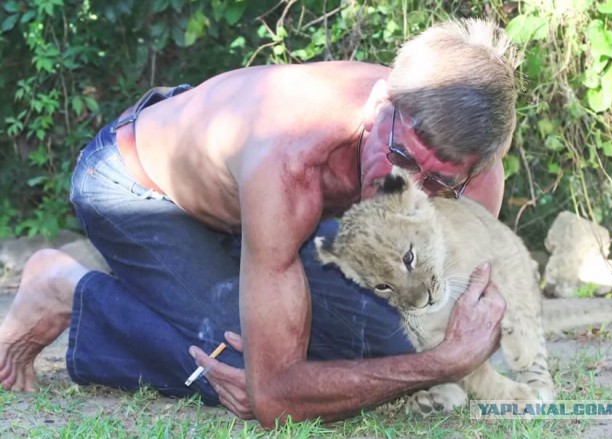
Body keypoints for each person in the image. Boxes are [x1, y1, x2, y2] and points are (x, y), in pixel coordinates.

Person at [0, 18, 519, 427]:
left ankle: (222, 288)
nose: (407, 186)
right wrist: (442, 365)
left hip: (259, 215)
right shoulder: (290, 151)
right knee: (239, 372)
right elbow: (275, 399)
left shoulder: (473, 175)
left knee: (379, 342)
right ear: (381, 103)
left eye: (439, 182)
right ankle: (68, 289)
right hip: (137, 188)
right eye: (401, 155)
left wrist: (443, 345)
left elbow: (450, 314)